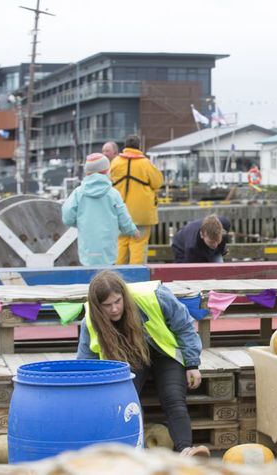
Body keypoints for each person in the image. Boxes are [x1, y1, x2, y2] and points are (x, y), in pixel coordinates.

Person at [77, 270, 209, 457]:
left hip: (165, 353)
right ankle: (129, 452)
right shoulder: (89, 321)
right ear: (98, 306)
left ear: (124, 295)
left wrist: (192, 364)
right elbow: (86, 361)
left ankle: (186, 450)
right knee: (126, 401)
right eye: (107, 305)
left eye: (117, 302)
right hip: (130, 359)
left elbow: (185, 327)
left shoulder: (156, 296)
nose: (114, 309)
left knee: (173, 398)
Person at [62, 153, 139, 266]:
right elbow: (123, 218)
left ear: (87, 172)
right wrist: (132, 230)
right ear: (106, 171)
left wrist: (80, 222)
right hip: (108, 251)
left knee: (87, 277)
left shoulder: (78, 193)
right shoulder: (113, 194)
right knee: (107, 276)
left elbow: (67, 217)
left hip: (87, 250)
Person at [111, 135, 164, 264]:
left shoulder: (116, 162)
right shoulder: (145, 163)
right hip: (142, 213)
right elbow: (158, 183)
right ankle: (136, 276)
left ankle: (117, 275)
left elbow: (108, 181)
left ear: (125, 146)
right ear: (139, 146)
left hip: (120, 212)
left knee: (121, 243)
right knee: (138, 244)